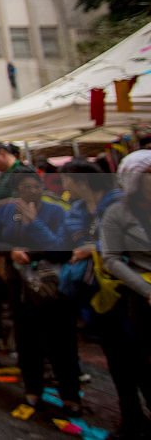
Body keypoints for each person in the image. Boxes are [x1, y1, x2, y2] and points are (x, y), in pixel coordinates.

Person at [0, 171, 79, 415]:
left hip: (53, 288)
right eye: (25, 187)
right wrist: (11, 252)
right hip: (20, 287)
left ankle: (70, 394)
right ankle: (32, 389)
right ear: (17, 190)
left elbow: (61, 248)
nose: (31, 191)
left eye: (35, 186)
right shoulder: (6, 213)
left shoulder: (57, 212)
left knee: (61, 342)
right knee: (27, 340)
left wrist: (34, 226)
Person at [99, 150, 151, 438]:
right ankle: (132, 418)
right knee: (131, 362)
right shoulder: (117, 213)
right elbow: (111, 259)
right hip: (129, 298)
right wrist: (145, 289)